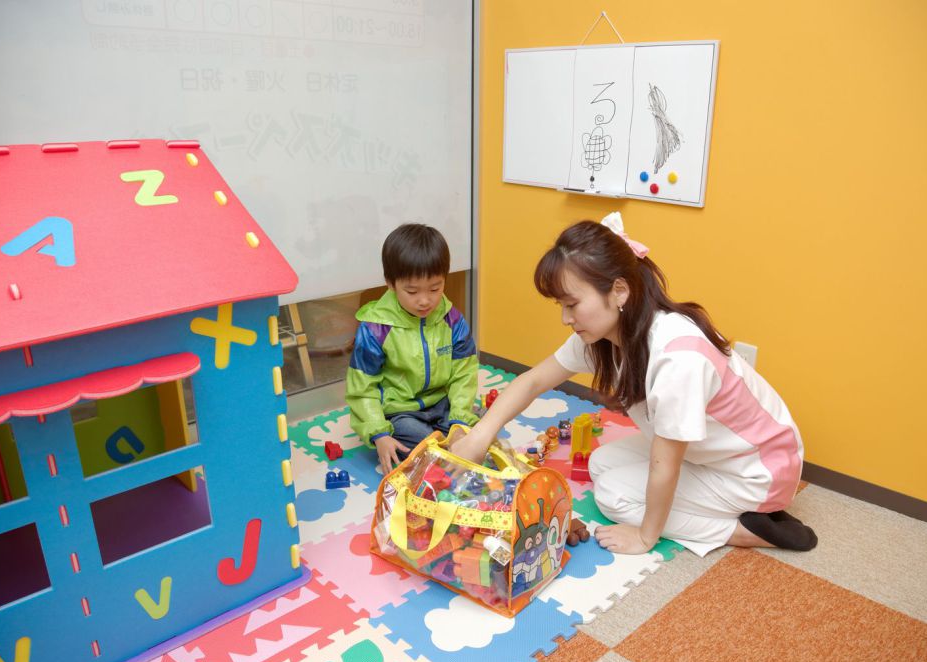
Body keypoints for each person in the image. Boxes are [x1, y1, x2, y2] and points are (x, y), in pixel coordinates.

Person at [452, 213, 816, 555]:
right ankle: (721, 511)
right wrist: (479, 437)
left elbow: (665, 466)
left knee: (613, 496)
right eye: (561, 305)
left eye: (572, 304)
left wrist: (645, 535)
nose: (565, 318)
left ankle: (743, 530)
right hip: (711, 452)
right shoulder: (604, 337)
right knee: (600, 464)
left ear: (619, 291)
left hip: (758, 471)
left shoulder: (677, 359)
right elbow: (533, 381)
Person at [346, 223, 479, 473]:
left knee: (476, 432)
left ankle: (448, 435)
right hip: (400, 412)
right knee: (421, 446)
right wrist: (379, 433)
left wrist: (460, 419)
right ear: (391, 283)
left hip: (441, 403)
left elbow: (464, 373)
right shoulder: (376, 328)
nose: (425, 300)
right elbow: (362, 389)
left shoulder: (451, 319)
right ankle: (431, 441)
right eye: (412, 291)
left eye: (435, 288)